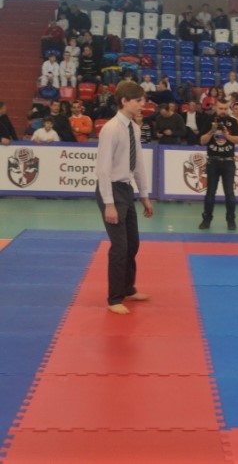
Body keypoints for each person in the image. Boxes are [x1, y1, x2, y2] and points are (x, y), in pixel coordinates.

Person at [95, 81, 154, 315]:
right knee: (119, 246)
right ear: (124, 101)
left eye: (143, 100)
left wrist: (144, 195)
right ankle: (114, 298)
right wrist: (109, 203)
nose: (143, 104)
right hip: (110, 189)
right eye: (138, 100)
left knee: (133, 244)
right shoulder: (110, 129)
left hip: (126, 189)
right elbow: (103, 169)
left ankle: (128, 288)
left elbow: (138, 164)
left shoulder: (134, 128)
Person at [199, 98, 238, 231]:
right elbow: (202, 141)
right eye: (220, 108)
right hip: (213, 161)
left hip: (228, 162)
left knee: (229, 193)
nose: (223, 111)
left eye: (225, 108)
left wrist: (227, 135)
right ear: (216, 108)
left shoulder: (233, 121)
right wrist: (212, 131)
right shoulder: (208, 120)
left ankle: (231, 219)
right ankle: (207, 219)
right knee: (210, 192)